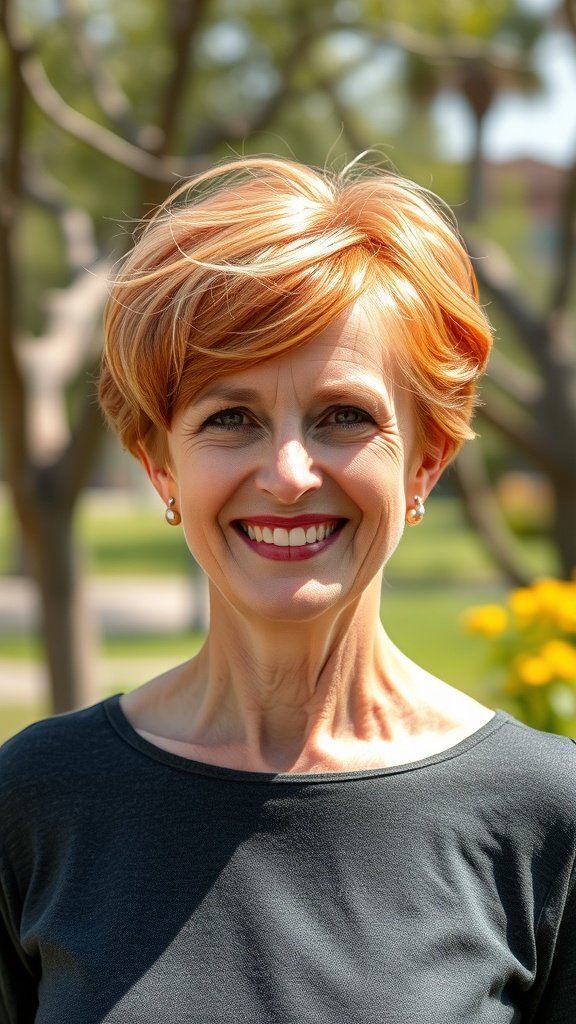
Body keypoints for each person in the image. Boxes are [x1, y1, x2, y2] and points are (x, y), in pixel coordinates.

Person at [0, 155, 574, 1024]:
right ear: (161, 466)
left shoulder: (547, 819)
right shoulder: (36, 801)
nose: (288, 473)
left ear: (427, 461)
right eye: (230, 418)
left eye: (344, 416)